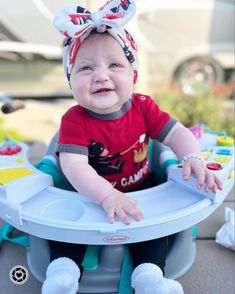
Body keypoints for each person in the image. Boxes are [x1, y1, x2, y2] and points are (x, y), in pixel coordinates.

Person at [42, 1, 223, 293]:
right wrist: (107, 196)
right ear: (70, 80)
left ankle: (148, 278)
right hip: (88, 195)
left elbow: (178, 133)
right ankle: (62, 274)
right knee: (64, 229)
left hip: (141, 191)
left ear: (133, 74)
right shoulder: (74, 119)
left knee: (152, 231)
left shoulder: (143, 107)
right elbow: (74, 167)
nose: (101, 76)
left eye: (114, 65)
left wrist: (192, 157)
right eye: (86, 68)